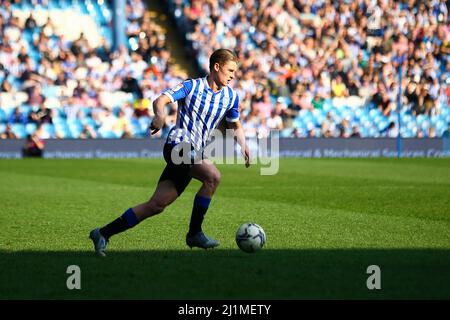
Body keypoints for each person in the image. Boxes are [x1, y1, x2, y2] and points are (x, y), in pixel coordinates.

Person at [89, 49, 251, 256]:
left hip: (195, 152)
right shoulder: (192, 86)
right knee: (213, 177)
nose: (233, 75)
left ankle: (102, 233)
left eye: (235, 72)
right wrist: (160, 117)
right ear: (216, 67)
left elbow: (235, 124)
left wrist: (244, 145)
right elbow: (161, 100)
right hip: (178, 145)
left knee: (156, 205)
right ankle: (195, 233)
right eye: (230, 70)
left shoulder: (230, 97)